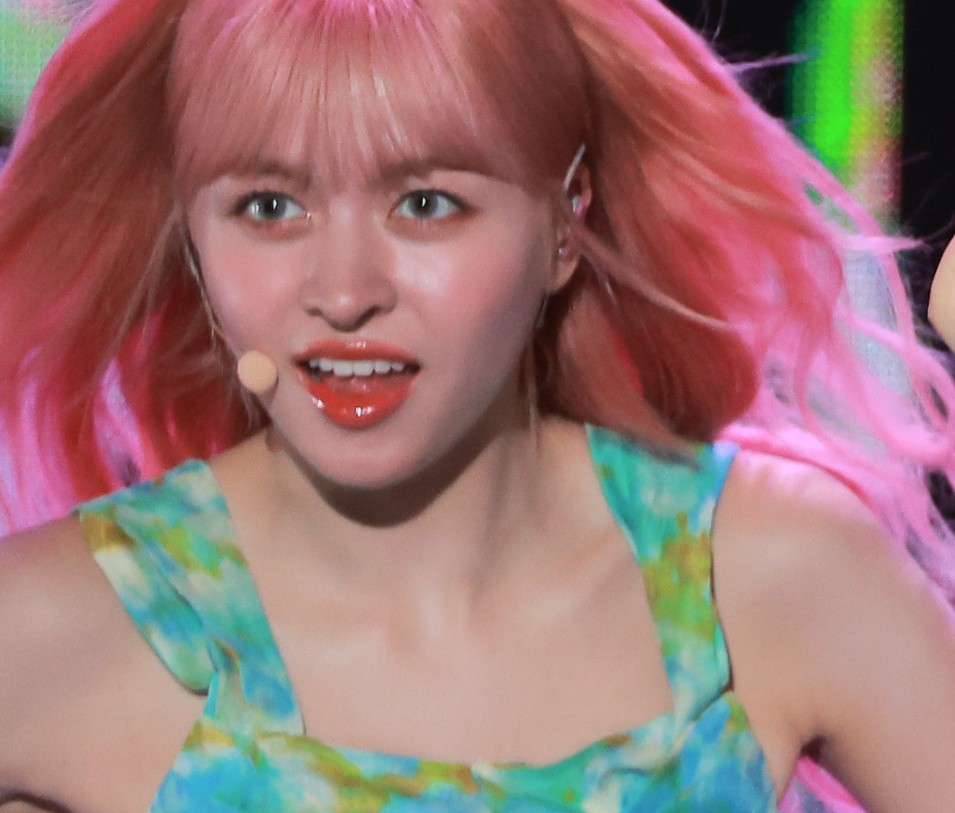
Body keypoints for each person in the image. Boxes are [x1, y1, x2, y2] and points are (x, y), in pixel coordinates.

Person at [0, 0, 954, 810]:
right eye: (269, 207)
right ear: (193, 238)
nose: (343, 292)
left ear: (564, 224)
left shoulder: (765, 572)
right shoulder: (47, 632)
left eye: (424, 204)